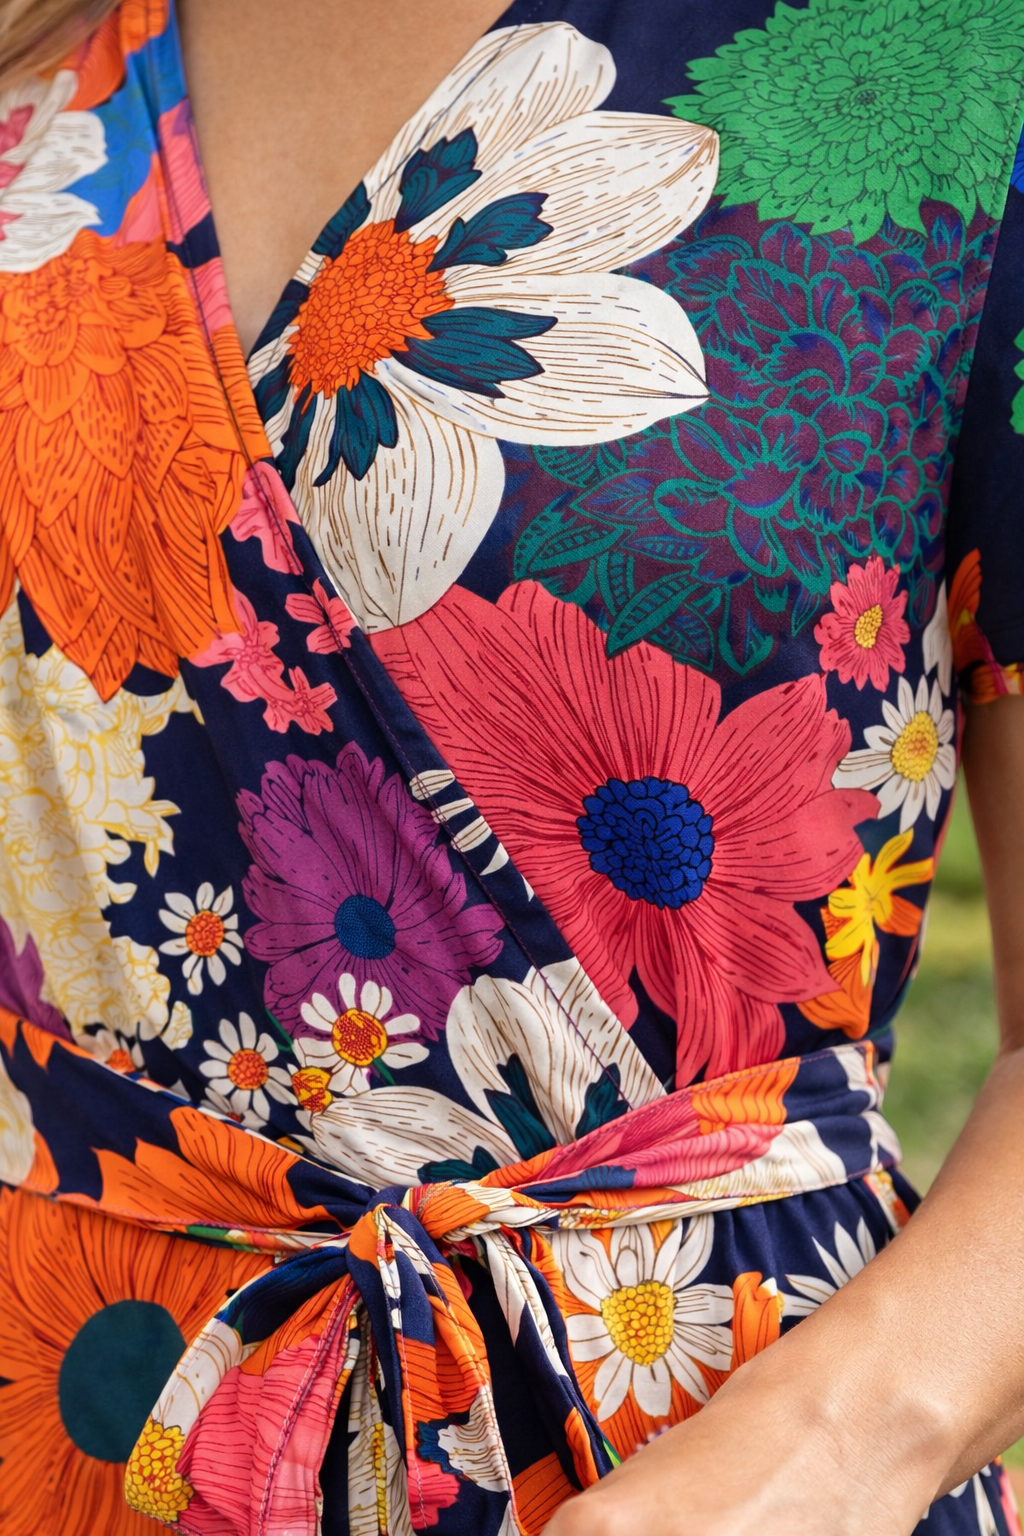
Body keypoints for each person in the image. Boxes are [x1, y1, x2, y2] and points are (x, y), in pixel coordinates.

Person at [0, 0, 1021, 1531]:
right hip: (77, 1410)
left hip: (704, 1457)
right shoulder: (36, 79)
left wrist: (845, 1440)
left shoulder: (952, 76)